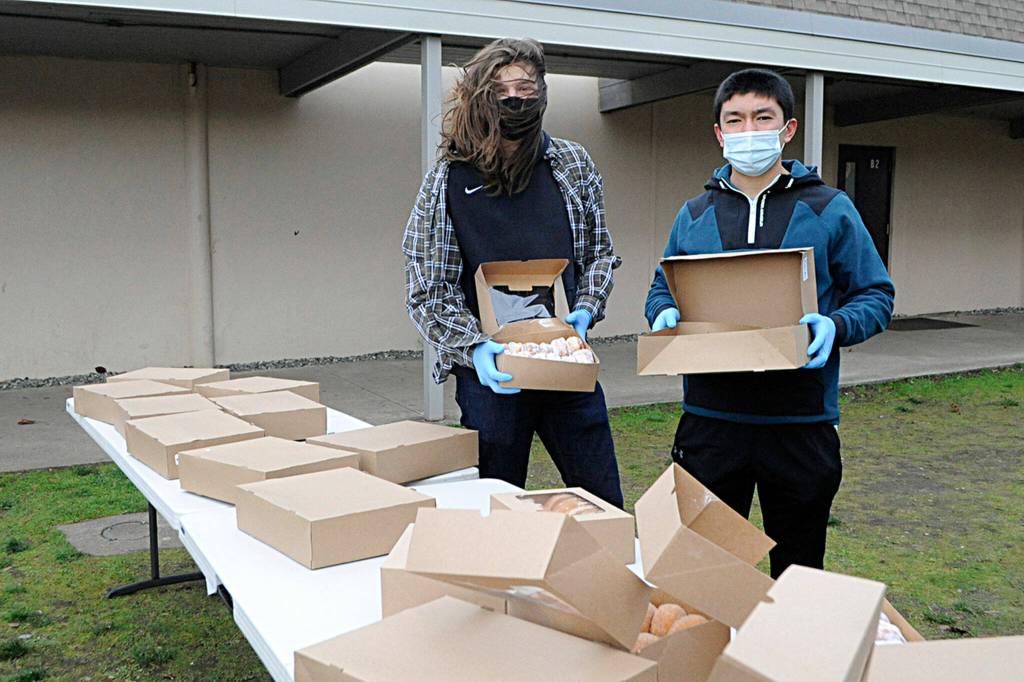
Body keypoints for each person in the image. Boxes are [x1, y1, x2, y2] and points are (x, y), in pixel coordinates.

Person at [644, 68, 895, 577]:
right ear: (719, 134)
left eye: (763, 118)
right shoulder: (693, 214)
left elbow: (876, 294)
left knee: (799, 573)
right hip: (712, 423)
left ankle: (791, 655)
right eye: (734, 120)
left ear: (788, 129)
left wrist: (836, 325)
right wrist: (663, 312)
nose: (748, 130)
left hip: (800, 425)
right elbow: (661, 286)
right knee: (707, 570)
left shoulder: (829, 208)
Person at [403, 38, 624, 506]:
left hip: (566, 361)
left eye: (526, 86)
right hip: (493, 376)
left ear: (543, 92)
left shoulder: (571, 165)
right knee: (497, 509)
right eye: (500, 90)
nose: (515, 99)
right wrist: (474, 348)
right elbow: (427, 285)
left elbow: (600, 253)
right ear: (479, 98)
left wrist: (585, 310)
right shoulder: (449, 178)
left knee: (600, 499)